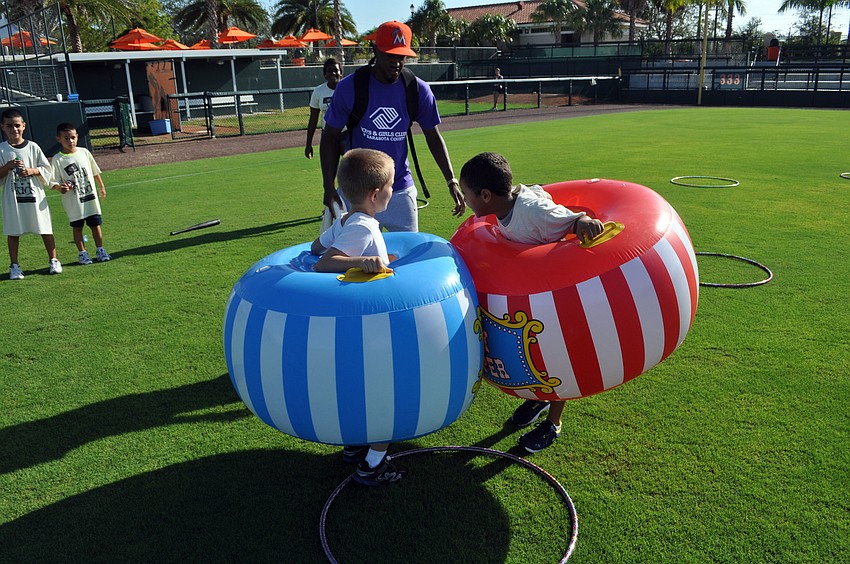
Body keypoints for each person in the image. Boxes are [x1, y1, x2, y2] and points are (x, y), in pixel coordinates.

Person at [458, 152, 605, 453]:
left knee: (557, 358)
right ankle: (538, 399)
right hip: (529, 296)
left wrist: (586, 223)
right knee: (538, 357)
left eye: (467, 194)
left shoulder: (533, 213)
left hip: (555, 295)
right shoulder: (504, 208)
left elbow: (573, 220)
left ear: (485, 194)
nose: (466, 200)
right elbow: (536, 189)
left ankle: (553, 422)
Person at [310, 148, 405, 486]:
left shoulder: (347, 220)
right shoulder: (362, 227)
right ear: (375, 194)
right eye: (392, 185)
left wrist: (379, 255)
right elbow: (324, 262)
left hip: (357, 325)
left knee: (364, 387)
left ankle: (354, 445)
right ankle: (372, 465)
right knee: (388, 396)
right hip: (372, 324)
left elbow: (314, 248)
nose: (394, 190)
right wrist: (360, 261)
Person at [320, 20, 465, 233]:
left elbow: (433, 136)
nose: (396, 62)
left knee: (407, 257)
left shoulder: (417, 90)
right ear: (375, 51)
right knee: (349, 257)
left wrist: (451, 180)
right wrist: (328, 186)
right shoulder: (350, 87)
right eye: (389, 55)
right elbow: (329, 137)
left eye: (401, 56)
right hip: (357, 192)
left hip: (398, 190)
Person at [0, 108, 61, 279]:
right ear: (3, 127)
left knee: (45, 229)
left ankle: (54, 260)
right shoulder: (2, 149)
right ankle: (14, 266)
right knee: (13, 231)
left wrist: (32, 171)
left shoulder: (33, 147)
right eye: (9, 126)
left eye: (17, 125)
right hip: (13, 200)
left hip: (35, 197)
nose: (14, 129)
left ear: (24, 126)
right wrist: (8, 166)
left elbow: (47, 170)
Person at [50, 122, 111, 265]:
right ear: (58, 139)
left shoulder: (84, 152)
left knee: (96, 225)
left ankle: (100, 250)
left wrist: (101, 187)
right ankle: (82, 253)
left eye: (72, 137)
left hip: (90, 198)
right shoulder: (57, 159)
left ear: (77, 137)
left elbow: (94, 171)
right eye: (66, 138)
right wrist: (60, 188)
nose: (70, 141)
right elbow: (52, 181)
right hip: (74, 202)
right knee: (77, 227)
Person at [305, 58, 342, 160]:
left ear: (341, 73)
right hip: (327, 136)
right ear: (325, 74)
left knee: (352, 172)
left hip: (346, 135)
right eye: (329, 71)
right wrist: (308, 144)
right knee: (328, 174)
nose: (333, 73)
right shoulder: (318, 91)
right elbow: (313, 119)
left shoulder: (348, 88)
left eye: (336, 70)